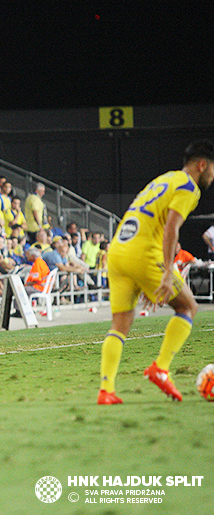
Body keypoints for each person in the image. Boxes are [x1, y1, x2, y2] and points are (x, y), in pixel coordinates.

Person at [98, 140, 214, 405]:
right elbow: (172, 227)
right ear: (202, 164)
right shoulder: (189, 187)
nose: (213, 176)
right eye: (213, 170)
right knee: (188, 307)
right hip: (143, 252)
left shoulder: (164, 179)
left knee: (120, 325)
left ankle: (106, 390)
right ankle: (160, 368)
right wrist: (164, 271)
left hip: (118, 251)